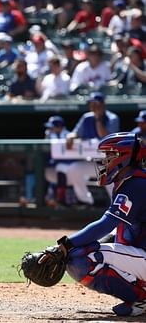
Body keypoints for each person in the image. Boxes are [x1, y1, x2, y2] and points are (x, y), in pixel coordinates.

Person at [48, 132, 146, 317]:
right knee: (83, 251)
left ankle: (141, 298)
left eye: (109, 156)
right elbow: (121, 229)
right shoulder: (132, 181)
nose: (104, 162)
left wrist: (64, 246)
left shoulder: (136, 184)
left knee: (82, 257)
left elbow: (107, 223)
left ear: (123, 158)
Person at [65, 92, 119, 206]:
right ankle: (87, 201)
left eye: (96, 104)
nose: (93, 107)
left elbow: (106, 138)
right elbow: (75, 133)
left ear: (103, 105)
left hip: (109, 163)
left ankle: (116, 209)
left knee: (112, 186)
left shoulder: (112, 118)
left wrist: (98, 119)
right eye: (91, 104)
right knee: (74, 169)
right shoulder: (86, 117)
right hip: (92, 161)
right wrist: (70, 137)